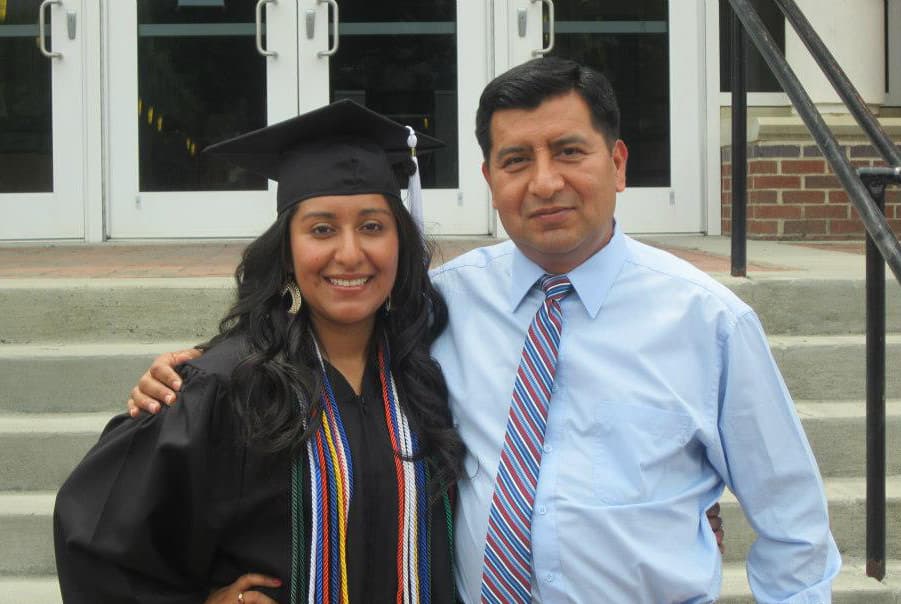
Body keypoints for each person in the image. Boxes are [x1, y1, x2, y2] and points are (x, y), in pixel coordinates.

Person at [128, 57, 831, 603]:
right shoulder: (437, 305)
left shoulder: (708, 322)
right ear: (489, 178)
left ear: (618, 164)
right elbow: (324, 325)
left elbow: (791, 525)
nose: (544, 182)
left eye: (569, 151)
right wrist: (196, 370)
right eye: (516, 160)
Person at [54, 100, 464, 604]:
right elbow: (98, 538)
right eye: (321, 228)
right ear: (286, 251)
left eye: (373, 226)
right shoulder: (227, 384)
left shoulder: (430, 368)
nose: (351, 253)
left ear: (400, 243)